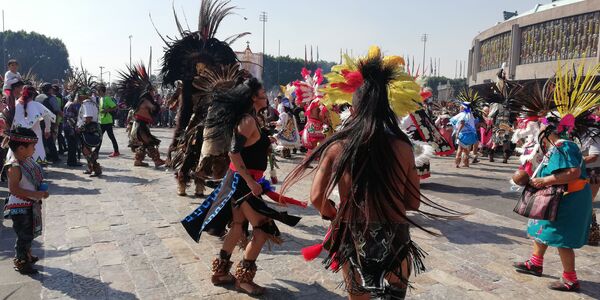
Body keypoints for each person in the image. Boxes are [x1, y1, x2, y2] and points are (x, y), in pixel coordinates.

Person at [284, 46, 459, 299]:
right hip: (395, 235)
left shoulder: (336, 146)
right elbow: (413, 201)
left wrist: (333, 213)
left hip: (353, 234)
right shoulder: (402, 147)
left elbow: (316, 198)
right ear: (387, 108)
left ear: (353, 108)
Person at [181, 77, 301, 296]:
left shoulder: (251, 119)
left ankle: (220, 272)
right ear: (254, 97)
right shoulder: (247, 120)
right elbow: (233, 152)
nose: (266, 95)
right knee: (262, 231)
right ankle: (244, 280)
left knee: (237, 227)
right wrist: (251, 182)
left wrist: (266, 140)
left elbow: (247, 147)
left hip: (240, 183)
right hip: (243, 185)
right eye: (263, 92)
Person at [5, 127, 49, 274]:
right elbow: (14, 190)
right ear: (22, 148)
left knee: (30, 233)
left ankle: (27, 255)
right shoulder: (14, 166)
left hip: (30, 204)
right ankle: (21, 261)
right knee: (24, 235)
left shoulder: (27, 160)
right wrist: (35, 194)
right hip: (20, 207)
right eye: (33, 146)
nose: (35, 149)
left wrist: (39, 193)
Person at [116, 64, 165, 168]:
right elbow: (154, 108)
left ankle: (138, 161)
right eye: (153, 91)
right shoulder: (146, 101)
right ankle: (157, 161)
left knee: (144, 143)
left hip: (141, 125)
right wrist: (158, 104)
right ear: (149, 91)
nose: (154, 92)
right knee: (150, 142)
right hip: (140, 126)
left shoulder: (143, 100)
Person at [9, 85, 55, 164]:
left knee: (17, 153)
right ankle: (34, 167)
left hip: (18, 133)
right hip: (34, 134)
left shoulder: (15, 105)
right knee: (35, 149)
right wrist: (47, 130)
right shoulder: (36, 105)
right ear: (33, 94)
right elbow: (47, 116)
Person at [77, 88, 103, 177]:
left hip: (89, 129)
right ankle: (91, 168)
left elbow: (88, 118)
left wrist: (81, 128)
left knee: (86, 150)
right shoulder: (91, 103)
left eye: (79, 95)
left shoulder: (86, 103)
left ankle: (96, 168)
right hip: (93, 128)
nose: (78, 97)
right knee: (88, 150)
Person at [36, 83, 61, 163]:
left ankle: (44, 156)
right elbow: (57, 110)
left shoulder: (37, 97)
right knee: (50, 139)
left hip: (38, 121)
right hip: (49, 121)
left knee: (41, 140)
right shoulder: (51, 98)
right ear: (50, 89)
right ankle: (54, 157)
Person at [450, 102, 478, 168]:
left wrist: (457, 132)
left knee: (460, 149)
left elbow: (462, 123)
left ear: (463, 107)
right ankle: (466, 163)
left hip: (463, 135)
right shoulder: (470, 114)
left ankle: (457, 163)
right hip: (470, 135)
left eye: (460, 106)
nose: (460, 107)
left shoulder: (463, 115)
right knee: (466, 150)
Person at [97, 84, 120, 157]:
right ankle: (96, 151)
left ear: (101, 91)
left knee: (110, 136)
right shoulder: (100, 99)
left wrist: (107, 110)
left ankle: (116, 151)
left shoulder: (107, 98)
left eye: (98, 91)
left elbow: (115, 106)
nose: (97, 92)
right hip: (102, 121)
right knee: (100, 137)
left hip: (107, 121)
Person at [63, 92, 83, 167]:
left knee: (72, 146)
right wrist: (74, 129)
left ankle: (72, 161)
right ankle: (72, 162)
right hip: (70, 128)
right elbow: (70, 119)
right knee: (72, 146)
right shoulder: (71, 105)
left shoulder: (70, 104)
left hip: (69, 128)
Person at [52, 85, 68, 155]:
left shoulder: (56, 98)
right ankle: (63, 148)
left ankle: (63, 148)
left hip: (58, 118)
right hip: (61, 118)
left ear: (54, 90)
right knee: (59, 134)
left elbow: (57, 110)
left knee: (58, 134)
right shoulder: (61, 96)